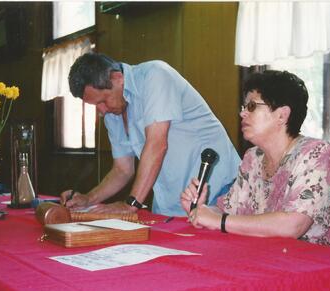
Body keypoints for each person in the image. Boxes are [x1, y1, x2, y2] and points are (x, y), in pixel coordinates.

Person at [181, 70, 330, 249]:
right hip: (269, 261)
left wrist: (219, 221)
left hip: (322, 269)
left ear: (282, 115)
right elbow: (227, 212)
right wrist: (201, 210)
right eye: (244, 107)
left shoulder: (316, 153)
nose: (243, 114)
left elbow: (292, 225)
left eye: (252, 106)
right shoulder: (253, 157)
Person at [60, 53, 241, 216]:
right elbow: (123, 169)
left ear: (118, 77)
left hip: (217, 190)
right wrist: (89, 199)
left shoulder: (155, 75)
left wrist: (131, 204)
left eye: (103, 101)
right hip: (174, 205)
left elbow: (157, 144)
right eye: (95, 106)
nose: (102, 111)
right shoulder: (114, 111)